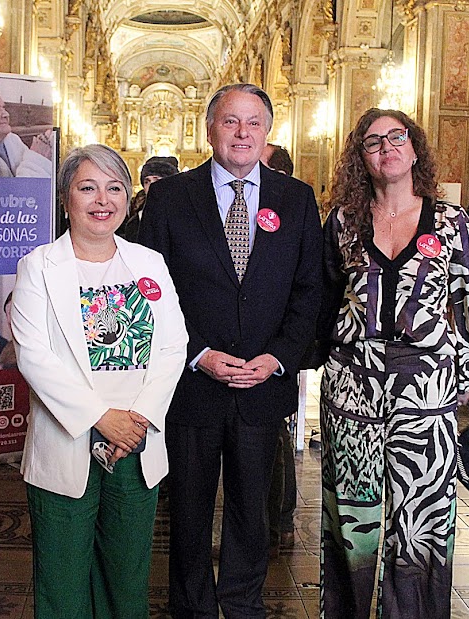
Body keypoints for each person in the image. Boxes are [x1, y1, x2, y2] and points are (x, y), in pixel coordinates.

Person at [139, 83, 323, 618]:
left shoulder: (297, 199)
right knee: (189, 512)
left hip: (263, 385)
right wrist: (198, 354)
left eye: (253, 123)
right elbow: (151, 291)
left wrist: (280, 357)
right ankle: (192, 608)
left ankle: (243, 604)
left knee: (253, 512)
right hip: (192, 384)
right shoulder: (171, 198)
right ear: (209, 129)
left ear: (268, 132)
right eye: (230, 122)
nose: (242, 133)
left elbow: (309, 289)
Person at [317, 107, 469, 618]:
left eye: (396, 137)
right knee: (350, 520)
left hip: (428, 388)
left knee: (422, 524)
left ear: (414, 148)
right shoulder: (344, 222)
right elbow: (324, 296)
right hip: (352, 386)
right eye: (373, 142)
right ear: (361, 158)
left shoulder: (451, 222)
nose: (387, 148)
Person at [12, 144, 188, 617]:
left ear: (128, 198)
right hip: (65, 444)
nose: (102, 200)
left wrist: (137, 420)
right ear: (65, 197)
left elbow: (173, 345)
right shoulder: (38, 267)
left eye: (114, 188)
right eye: (87, 188)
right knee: (62, 581)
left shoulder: (149, 263)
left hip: (136, 445)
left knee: (126, 581)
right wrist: (101, 418)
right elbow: (33, 356)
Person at [259, 142, 299, 555]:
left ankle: (279, 521)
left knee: (276, 440)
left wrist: (283, 352)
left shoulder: (294, 206)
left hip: (276, 352)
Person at [119, 156, 179, 242]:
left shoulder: (183, 214)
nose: (151, 186)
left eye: (157, 180)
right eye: (147, 182)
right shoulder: (135, 219)